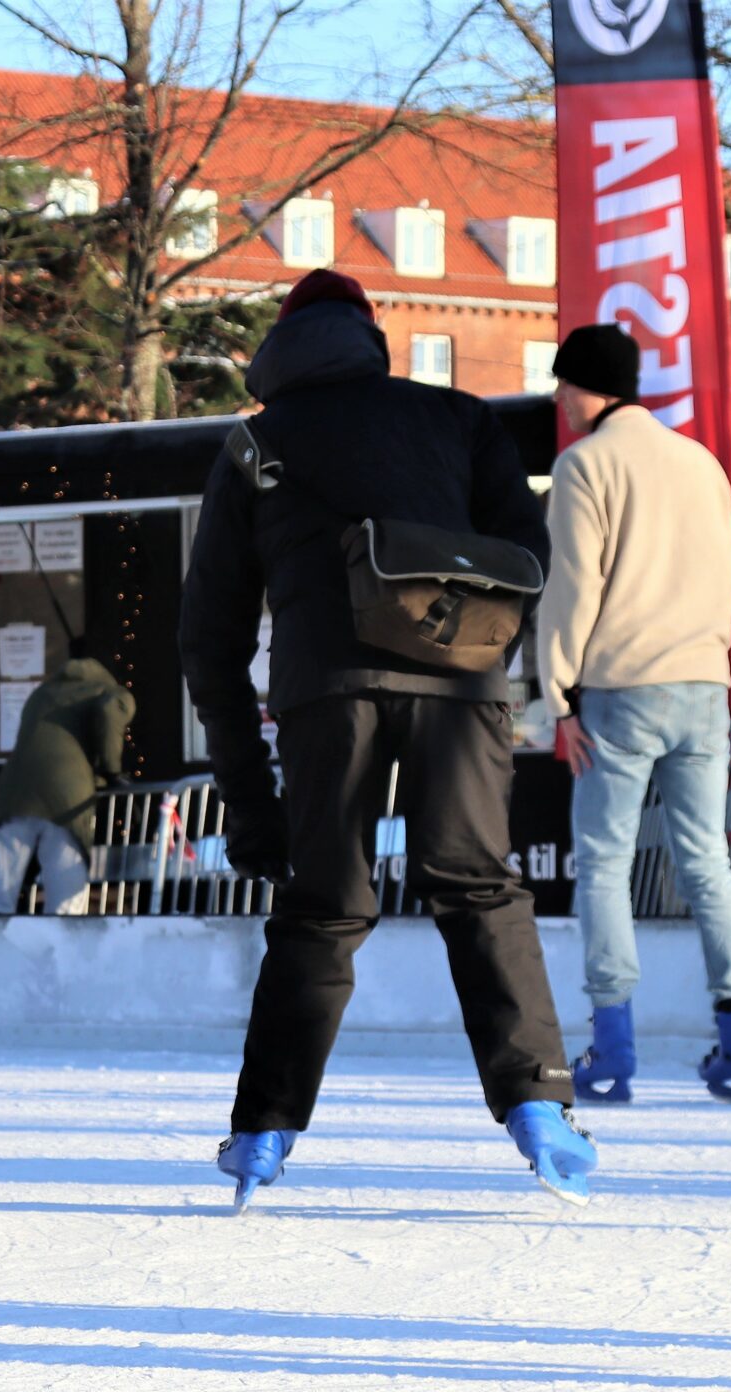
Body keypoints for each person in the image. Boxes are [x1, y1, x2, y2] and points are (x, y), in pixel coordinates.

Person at [180, 268, 597, 1208]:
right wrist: (478, 644)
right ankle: (541, 1110)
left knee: (324, 904)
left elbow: (209, 641)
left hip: (327, 692)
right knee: (479, 885)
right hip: (462, 685)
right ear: (370, 336)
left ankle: (261, 1135)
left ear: (280, 347)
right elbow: (530, 557)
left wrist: (253, 811)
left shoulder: (254, 446)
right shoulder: (457, 417)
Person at [539, 323, 731, 1105]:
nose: (557, 397)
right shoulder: (701, 464)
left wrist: (559, 695)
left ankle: (613, 1048)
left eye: (563, 382)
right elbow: (725, 580)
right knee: (706, 862)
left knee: (604, 863)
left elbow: (574, 589)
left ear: (584, 387)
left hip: (620, 688)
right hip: (703, 687)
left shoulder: (584, 466)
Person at [0, 646, 135, 916]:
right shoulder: (112, 693)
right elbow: (110, 711)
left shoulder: (41, 693)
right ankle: (62, 949)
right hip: (67, 798)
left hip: (14, 793)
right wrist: (112, 772)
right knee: (65, 897)